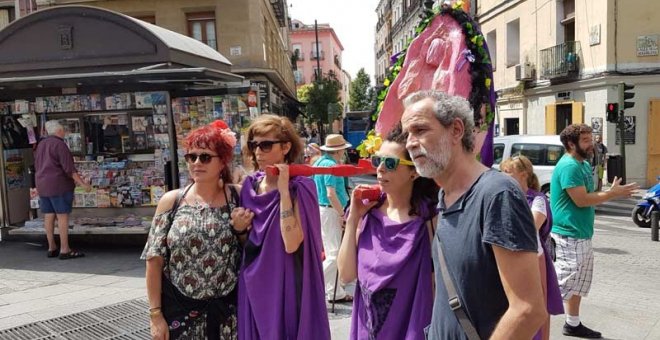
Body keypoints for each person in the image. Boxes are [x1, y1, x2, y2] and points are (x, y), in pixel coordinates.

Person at [401, 90, 547, 339]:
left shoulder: (497, 194)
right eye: (407, 135)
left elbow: (528, 310)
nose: (410, 143)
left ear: (456, 130)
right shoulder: (445, 196)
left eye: (420, 130)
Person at [142, 120, 252, 339]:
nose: (196, 163)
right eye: (191, 157)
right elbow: (154, 260)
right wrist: (155, 315)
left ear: (223, 162)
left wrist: (241, 231)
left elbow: (255, 251)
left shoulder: (239, 196)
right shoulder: (171, 201)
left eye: (205, 157)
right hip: (180, 314)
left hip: (229, 317)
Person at [337, 125, 438, 339]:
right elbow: (346, 274)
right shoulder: (368, 214)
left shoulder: (429, 220)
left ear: (414, 172)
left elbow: (435, 285)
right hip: (367, 331)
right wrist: (354, 217)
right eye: (377, 161)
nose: (380, 169)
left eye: (390, 163)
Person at [238, 114, 330, 339]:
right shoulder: (249, 186)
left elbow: (291, 244)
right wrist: (239, 228)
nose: (258, 152)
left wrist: (283, 192)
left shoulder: (301, 187)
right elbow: (246, 243)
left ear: (286, 146)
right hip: (253, 281)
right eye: (254, 145)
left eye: (266, 145)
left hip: (286, 280)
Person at [550, 124, 639, 338]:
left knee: (578, 283)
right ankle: (527, 317)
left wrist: (608, 191)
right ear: (571, 144)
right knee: (562, 283)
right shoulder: (570, 166)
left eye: (591, 139)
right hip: (567, 235)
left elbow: (590, 194)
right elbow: (581, 200)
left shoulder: (581, 164)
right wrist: (612, 194)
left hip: (581, 234)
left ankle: (572, 323)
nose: (592, 144)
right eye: (586, 141)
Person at [500, 155, 564, 340]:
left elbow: (531, 227)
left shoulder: (538, 199)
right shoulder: (504, 197)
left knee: (535, 306)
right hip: (509, 258)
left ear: (523, 174)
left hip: (532, 260)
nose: (503, 177)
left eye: (507, 173)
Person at [35, 120, 92, 260]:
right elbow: (69, 169)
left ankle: (51, 247)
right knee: (62, 216)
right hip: (58, 184)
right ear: (59, 131)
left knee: (48, 215)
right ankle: (65, 249)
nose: (64, 132)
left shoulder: (41, 144)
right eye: (63, 130)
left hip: (42, 184)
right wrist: (83, 184)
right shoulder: (59, 144)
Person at [313, 133, 353, 303]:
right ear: (339, 150)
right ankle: (315, 283)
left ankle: (334, 292)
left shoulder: (320, 162)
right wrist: (342, 214)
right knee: (334, 253)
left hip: (325, 210)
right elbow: (331, 193)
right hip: (331, 210)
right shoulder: (331, 166)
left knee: (332, 250)